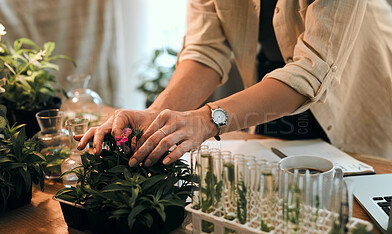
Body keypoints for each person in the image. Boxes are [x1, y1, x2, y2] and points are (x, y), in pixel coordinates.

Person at [77, 0, 392, 167]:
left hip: (355, 84)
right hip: (272, 86)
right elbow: (205, 50)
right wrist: (157, 113)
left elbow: (312, 70)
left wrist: (209, 119)